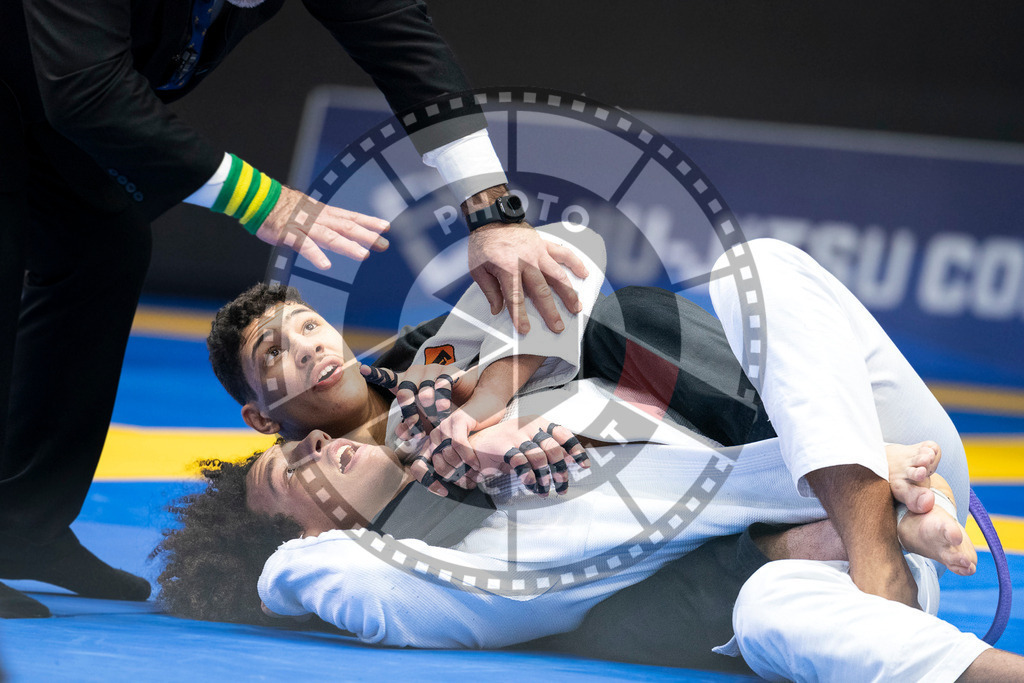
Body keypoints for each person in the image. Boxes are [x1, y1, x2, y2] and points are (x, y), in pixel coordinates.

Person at [158, 231, 1016, 677]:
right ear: (255, 414)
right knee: (767, 617)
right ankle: (865, 542)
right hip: (814, 534)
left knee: (756, 271)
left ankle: (863, 530)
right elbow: (322, 575)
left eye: (304, 324)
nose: (302, 348)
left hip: (809, 429)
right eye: (272, 357)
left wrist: (490, 402)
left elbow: (572, 272)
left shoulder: (430, 365)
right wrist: (285, 558)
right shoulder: (422, 557)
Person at [0, 0, 587, 619]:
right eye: (278, 350)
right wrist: (265, 202)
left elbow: (402, 46)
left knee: (103, 240)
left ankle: (23, 525)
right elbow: (88, 90)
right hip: (45, 83)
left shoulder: (428, 387)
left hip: (36, 97)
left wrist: (492, 209)